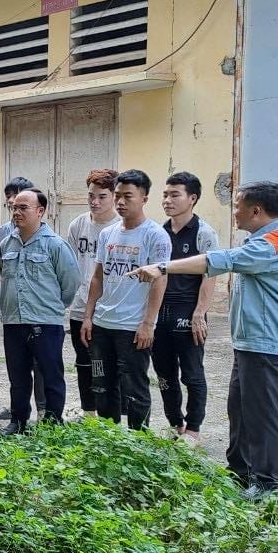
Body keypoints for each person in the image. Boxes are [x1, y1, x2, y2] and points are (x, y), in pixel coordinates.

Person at [133, 181, 278, 500]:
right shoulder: (263, 240)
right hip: (252, 343)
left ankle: (266, 483)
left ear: (256, 210)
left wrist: (162, 266)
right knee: (240, 408)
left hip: (268, 345)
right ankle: (240, 474)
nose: (234, 210)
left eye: (238, 204)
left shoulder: (273, 243)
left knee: (262, 411)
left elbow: (218, 260)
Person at [81, 169, 171, 430]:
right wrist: (88, 316)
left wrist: (148, 323)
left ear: (144, 198)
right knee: (100, 383)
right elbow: (97, 277)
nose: (120, 202)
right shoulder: (107, 234)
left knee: (134, 387)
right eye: (118, 196)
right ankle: (109, 437)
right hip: (102, 325)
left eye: (127, 197)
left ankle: (138, 440)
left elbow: (160, 279)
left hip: (132, 328)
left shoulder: (155, 235)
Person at [0, 189, 79, 435]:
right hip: (13, 321)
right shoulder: (6, 243)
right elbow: (4, 273)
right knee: (18, 377)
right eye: (14, 208)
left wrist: (49, 307)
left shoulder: (55, 245)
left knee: (51, 376)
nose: (17, 212)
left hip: (46, 323)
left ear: (40, 211)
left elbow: (70, 284)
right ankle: (19, 421)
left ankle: (52, 423)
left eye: (23, 207)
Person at [153, 172, 220, 445]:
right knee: (164, 374)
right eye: (165, 195)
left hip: (187, 311)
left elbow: (210, 274)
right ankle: (175, 423)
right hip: (161, 312)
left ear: (192, 198)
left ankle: (193, 429)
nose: (167, 200)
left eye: (175, 194)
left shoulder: (204, 233)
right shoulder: (159, 232)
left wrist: (199, 313)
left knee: (192, 373)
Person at [65, 169, 119, 417]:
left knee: (108, 365)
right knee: (84, 362)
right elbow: (70, 264)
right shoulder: (78, 224)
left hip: (109, 308)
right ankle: (88, 413)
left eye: (102, 197)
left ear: (114, 197)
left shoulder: (120, 226)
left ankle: (113, 415)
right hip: (79, 306)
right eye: (91, 196)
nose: (95, 202)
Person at [0, 176, 45, 421]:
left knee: (41, 366)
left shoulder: (48, 238)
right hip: (13, 312)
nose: (14, 207)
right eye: (10, 203)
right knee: (17, 367)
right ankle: (18, 412)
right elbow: (5, 269)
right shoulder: (4, 233)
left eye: (20, 201)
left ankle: (44, 412)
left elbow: (67, 282)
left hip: (39, 311)